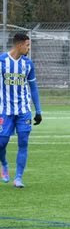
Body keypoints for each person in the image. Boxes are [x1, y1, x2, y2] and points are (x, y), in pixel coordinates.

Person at [0, 33, 42, 187]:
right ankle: (4, 164)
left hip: (24, 110)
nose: (28, 48)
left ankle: (18, 178)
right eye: (27, 45)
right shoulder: (2, 61)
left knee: (23, 142)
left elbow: (34, 88)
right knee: (1, 142)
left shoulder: (28, 64)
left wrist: (38, 111)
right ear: (19, 45)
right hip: (5, 110)